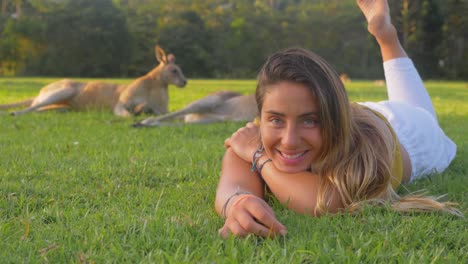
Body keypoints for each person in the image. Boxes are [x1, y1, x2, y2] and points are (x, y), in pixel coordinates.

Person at [214, 0, 461, 239]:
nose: (288, 141)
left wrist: (259, 156)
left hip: (414, 134)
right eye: (276, 120)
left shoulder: (365, 153)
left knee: (426, 116)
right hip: (365, 111)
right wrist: (237, 201)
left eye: (310, 121)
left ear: (333, 118)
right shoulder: (270, 127)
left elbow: (325, 202)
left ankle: (387, 37)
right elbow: (235, 164)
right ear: (262, 115)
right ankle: (386, 36)